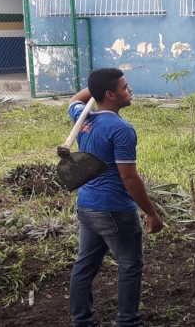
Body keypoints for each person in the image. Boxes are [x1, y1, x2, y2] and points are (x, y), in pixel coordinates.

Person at [68, 68, 164, 327]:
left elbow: (75, 100)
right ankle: (128, 322)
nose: (130, 90)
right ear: (110, 95)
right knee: (130, 265)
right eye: (124, 87)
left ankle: (82, 322)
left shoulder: (84, 117)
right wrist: (152, 213)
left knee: (85, 266)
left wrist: (97, 85)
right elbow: (129, 178)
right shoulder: (120, 129)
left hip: (87, 205)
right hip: (115, 209)